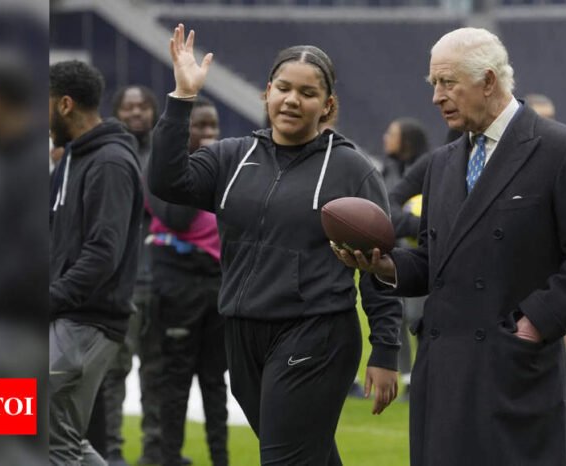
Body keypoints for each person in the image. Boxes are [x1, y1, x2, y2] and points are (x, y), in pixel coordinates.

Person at [335, 27, 566, 465]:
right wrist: (385, 267)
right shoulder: (442, 163)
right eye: (434, 84)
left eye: (447, 82)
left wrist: (532, 324)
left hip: (513, 371)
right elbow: (436, 262)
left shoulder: (563, 150)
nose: (436, 96)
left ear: (488, 81)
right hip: (443, 370)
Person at [149, 25, 401, 465]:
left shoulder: (352, 169)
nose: (292, 100)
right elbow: (167, 181)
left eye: (307, 92)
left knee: (284, 458)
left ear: (328, 105)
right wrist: (182, 98)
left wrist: (385, 349)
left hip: (315, 331)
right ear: (267, 92)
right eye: (283, 88)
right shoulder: (232, 156)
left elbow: (378, 265)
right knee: (309, 455)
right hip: (243, 329)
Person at [49, 60, 144, 465]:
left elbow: (102, 254)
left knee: (46, 439)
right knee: (11, 419)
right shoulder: (70, 159)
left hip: (87, 320)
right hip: (62, 316)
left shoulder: (110, 163)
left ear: (65, 104)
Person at [146, 96, 228, 466]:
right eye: (200, 126)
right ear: (184, 130)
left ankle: (221, 460)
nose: (209, 134)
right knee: (175, 382)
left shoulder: (227, 167)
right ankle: (169, 458)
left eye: (213, 127)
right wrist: (192, 167)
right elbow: (176, 219)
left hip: (218, 285)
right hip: (178, 285)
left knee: (215, 381)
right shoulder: (162, 169)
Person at [106, 84, 166, 466]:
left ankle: (154, 451)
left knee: (157, 374)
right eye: (129, 107)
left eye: (143, 106)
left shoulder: (164, 155)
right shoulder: (107, 156)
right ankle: (110, 448)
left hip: (161, 280)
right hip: (120, 284)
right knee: (114, 371)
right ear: (116, 112)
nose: (137, 113)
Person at [380, 117, 430, 398]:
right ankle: (405, 377)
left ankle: (423, 376)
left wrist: (410, 224)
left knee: (417, 316)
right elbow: (385, 208)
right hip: (390, 255)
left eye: (392, 133)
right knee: (396, 316)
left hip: (418, 256)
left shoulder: (427, 167)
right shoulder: (387, 169)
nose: (386, 137)